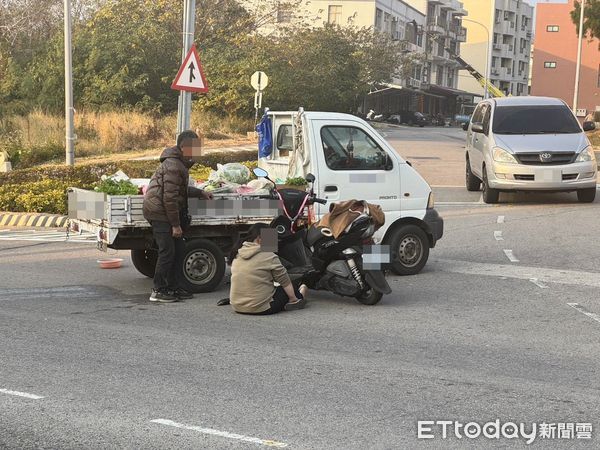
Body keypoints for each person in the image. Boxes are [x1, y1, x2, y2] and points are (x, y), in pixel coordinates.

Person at [142, 130, 212, 303]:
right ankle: (158, 290)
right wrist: (175, 225)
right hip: (159, 213)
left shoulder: (178, 164)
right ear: (183, 147)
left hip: (163, 210)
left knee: (178, 250)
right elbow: (169, 198)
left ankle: (173, 287)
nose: (197, 152)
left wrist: (200, 192)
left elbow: (178, 190)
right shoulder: (174, 165)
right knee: (167, 252)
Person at [228, 223, 307, 315]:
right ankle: (302, 292)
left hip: (237, 306)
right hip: (261, 308)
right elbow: (285, 281)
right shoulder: (269, 256)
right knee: (289, 288)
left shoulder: (237, 254)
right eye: (270, 237)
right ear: (260, 239)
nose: (272, 241)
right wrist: (293, 299)